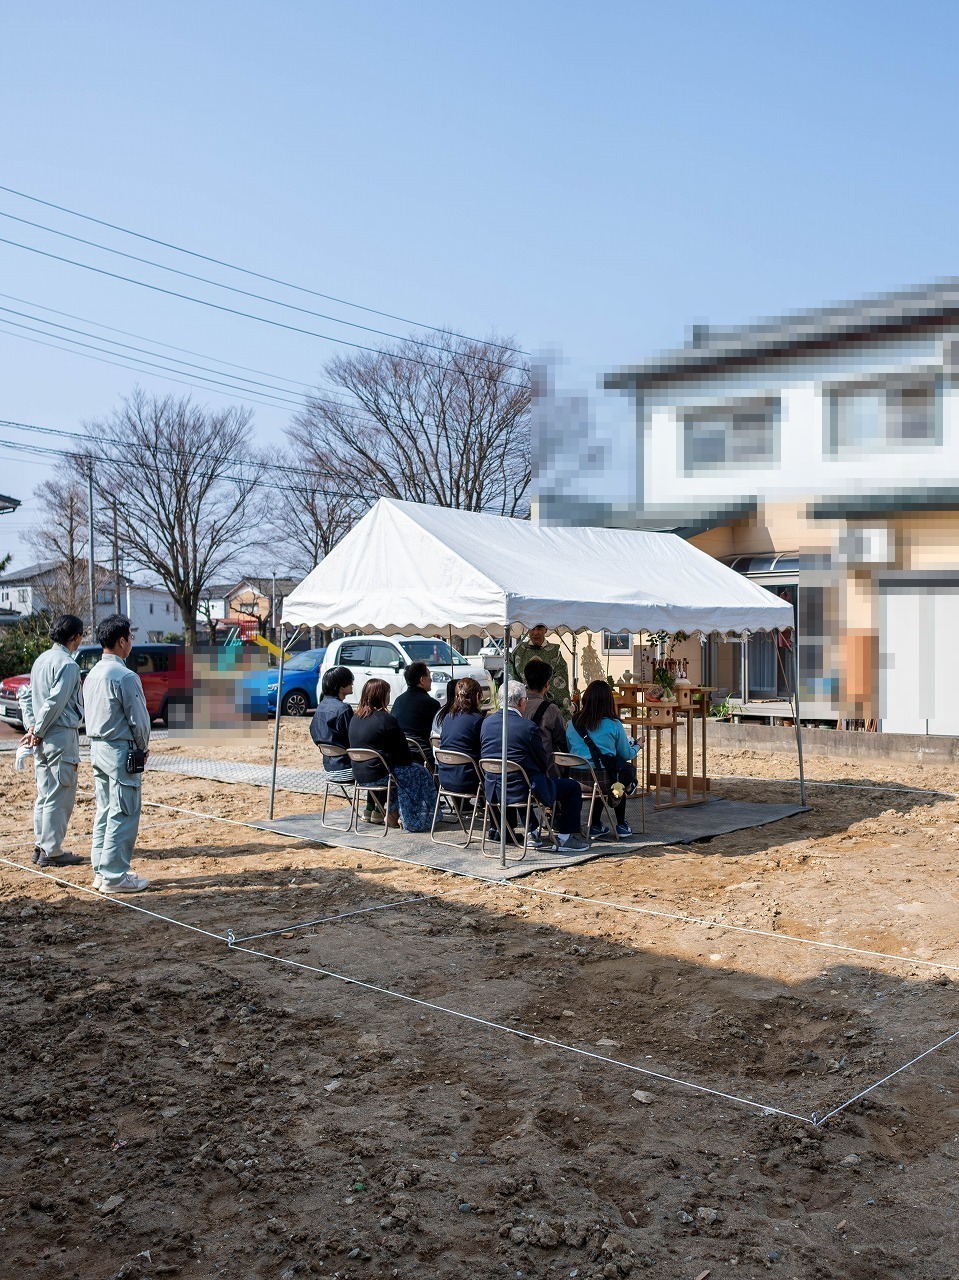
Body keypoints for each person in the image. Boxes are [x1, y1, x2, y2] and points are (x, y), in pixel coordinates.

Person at [83, 614, 152, 894]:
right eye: (130, 638)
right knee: (124, 811)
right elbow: (139, 719)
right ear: (122, 641)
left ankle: (101, 870)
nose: (131, 642)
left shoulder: (92, 674)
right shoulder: (124, 675)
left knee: (105, 810)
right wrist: (143, 746)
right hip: (119, 749)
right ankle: (114, 875)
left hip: (96, 748)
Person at [479, 680, 587, 852]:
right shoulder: (528, 727)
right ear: (522, 702)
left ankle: (531, 831)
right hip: (523, 789)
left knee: (524, 776)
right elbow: (542, 761)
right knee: (572, 787)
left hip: (494, 788)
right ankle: (565, 838)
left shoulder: (486, 723)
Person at [18, 613, 86, 869]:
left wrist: (33, 728)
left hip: (42, 737)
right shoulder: (68, 664)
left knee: (45, 794)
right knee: (60, 796)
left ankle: (41, 845)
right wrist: (39, 730)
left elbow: (31, 698)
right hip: (58, 735)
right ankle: (52, 850)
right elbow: (55, 703)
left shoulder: (41, 660)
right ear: (76, 637)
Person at [348, 679, 436, 831]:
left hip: (359, 774)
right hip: (379, 775)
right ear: (382, 696)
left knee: (401, 773)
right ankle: (411, 817)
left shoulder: (355, 718)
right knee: (418, 772)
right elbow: (404, 756)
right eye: (388, 693)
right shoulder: (386, 720)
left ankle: (390, 812)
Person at [567, 679, 639, 838]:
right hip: (604, 781)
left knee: (603, 773)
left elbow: (569, 749)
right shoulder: (614, 725)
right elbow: (626, 754)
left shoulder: (572, 723)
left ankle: (595, 825)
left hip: (575, 780)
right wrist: (638, 745)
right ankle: (620, 824)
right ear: (608, 702)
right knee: (621, 775)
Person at [509, 625, 573, 722]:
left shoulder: (555, 653)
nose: (535, 633)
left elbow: (560, 683)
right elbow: (512, 681)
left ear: (546, 629)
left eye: (539, 628)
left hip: (548, 713)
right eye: (532, 628)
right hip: (522, 710)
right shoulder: (518, 651)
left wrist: (535, 690)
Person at [436, 678, 486, 795]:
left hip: (444, 778)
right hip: (468, 781)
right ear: (477, 696)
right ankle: (492, 810)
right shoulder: (477, 720)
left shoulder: (448, 717)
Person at [522, 658, 568, 770]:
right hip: (544, 771)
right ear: (547, 684)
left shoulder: (517, 706)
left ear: (526, 681)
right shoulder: (551, 710)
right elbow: (562, 740)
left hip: (519, 768)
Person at [391, 660, 441, 763]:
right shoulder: (431, 703)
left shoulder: (398, 700)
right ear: (422, 680)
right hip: (422, 754)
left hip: (399, 752)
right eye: (429, 675)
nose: (431, 679)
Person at [309, 665, 355, 771]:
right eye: (350, 681)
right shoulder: (344, 709)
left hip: (328, 766)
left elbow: (313, 730)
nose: (352, 684)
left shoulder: (321, 706)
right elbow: (354, 738)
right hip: (346, 767)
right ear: (342, 686)